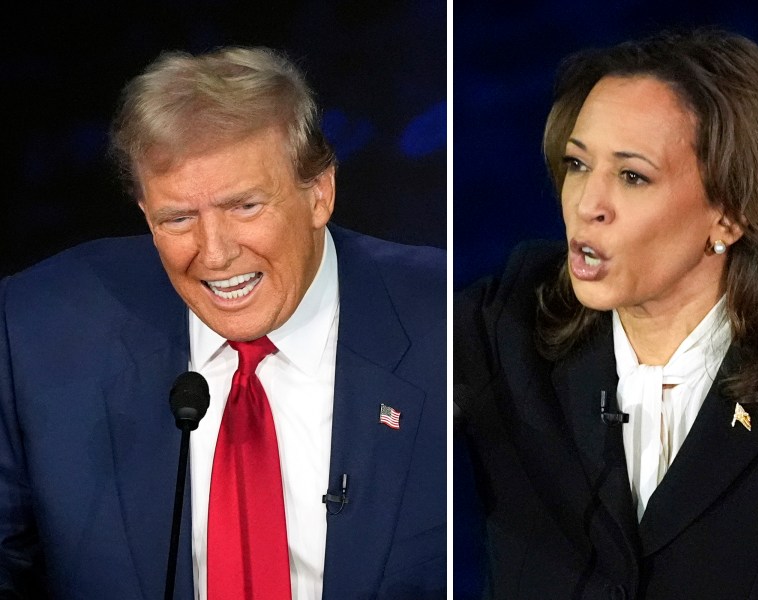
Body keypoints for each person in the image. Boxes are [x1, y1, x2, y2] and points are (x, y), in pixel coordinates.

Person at [455, 29, 758, 599]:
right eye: (576, 164)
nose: (588, 205)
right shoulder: (504, 332)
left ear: (729, 215)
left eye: (632, 176)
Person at [0, 46, 446, 599]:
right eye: (178, 218)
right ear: (145, 213)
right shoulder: (39, 331)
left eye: (245, 207)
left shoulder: (451, 324)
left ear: (319, 194)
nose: (213, 255)